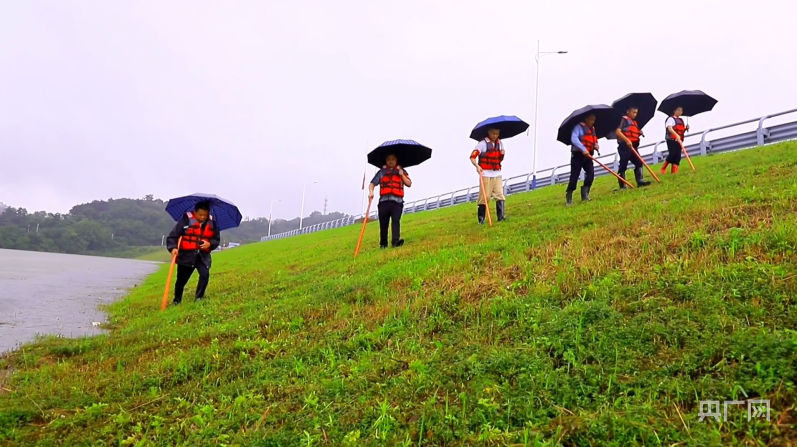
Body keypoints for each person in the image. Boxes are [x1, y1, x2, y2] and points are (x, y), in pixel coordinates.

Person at [166, 201, 220, 305]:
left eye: (205, 215)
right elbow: (173, 236)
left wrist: (210, 244)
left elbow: (216, 239)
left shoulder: (213, 223)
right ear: (195, 212)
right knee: (181, 280)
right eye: (200, 215)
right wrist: (173, 248)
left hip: (202, 256)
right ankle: (177, 300)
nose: (203, 217)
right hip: (186, 256)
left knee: (205, 275)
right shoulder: (184, 221)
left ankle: (199, 298)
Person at [368, 153, 412, 249]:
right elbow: (372, 183)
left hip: (397, 202)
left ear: (396, 160)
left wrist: (402, 176)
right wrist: (371, 192)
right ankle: (383, 244)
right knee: (383, 223)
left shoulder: (402, 171)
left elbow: (409, 183)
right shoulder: (381, 172)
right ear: (385, 161)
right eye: (388, 159)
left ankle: (395, 242)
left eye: (393, 159)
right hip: (383, 202)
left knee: (396, 221)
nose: (390, 161)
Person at [470, 127, 506, 224]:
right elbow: (472, 157)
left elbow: (498, 159)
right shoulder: (482, 144)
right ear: (489, 133)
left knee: (500, 195)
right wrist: (477, 166)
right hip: (485, 174)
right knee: (484, 197)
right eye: (493, 133)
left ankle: (501, 217)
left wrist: (502, 154)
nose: (495, 135)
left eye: (497, 133)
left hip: (497, 174)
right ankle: (481, 219)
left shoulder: (500, 144)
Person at [566, 114, 600, 205]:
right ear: (586, 119)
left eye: (594, 120)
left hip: (588, 156)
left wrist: (596, 145)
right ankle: (569, 196)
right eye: (591, 119)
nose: (592, 122)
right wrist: (583, 149)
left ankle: (585, 194)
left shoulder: (592, 129)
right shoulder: (578, 127)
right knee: (574, 176)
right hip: (578, 155)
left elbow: (594, 140)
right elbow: (574, 139)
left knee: (591, 174)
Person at [615, 107, 651, 189]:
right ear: (628, 111)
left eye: (636, 113)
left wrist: (639, 133)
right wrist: (627, 140)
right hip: (624, 146)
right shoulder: (623, 120)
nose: (634, 114)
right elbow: (618, 131)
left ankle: (640, 180)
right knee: (623, 165)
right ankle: (623, 185)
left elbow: (632, 132)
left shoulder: (634, 122)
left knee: (639, 162)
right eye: (633, 112)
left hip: (633, 146)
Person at [662, 106, 689, 174]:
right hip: (671, 139)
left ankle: (674, 171)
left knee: (678, 156)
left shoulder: (681, 120)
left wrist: (686, 129)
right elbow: (670, 128)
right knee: (672, 153)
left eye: (681, 111)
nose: (680, 112)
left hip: (679, 140)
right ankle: (663, 168)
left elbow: (681, 131)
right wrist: (676, 135)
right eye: (679, 110)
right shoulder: (670, 119)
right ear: (674, 111)